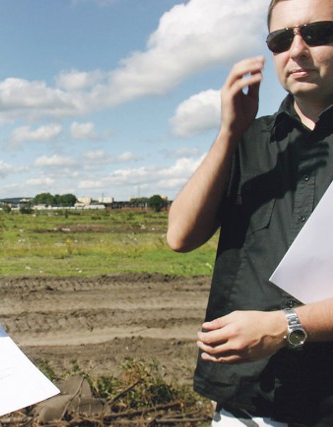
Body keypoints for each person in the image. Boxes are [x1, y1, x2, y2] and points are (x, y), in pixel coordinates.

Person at [167, 0, 333, 425]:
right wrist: (228, 132)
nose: (296, 50)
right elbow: (180, 236)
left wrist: (286, 325)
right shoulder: (249, 141)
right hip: (247, 405)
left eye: (316, 34)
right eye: (281, 39)